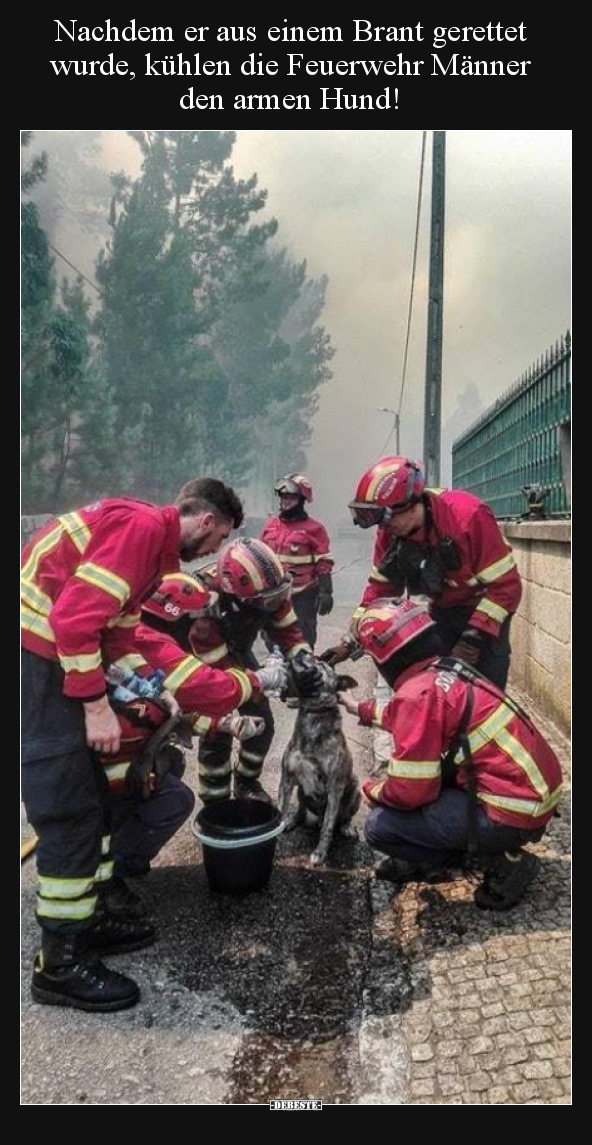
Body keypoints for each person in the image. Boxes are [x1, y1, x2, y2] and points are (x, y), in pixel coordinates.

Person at [21, 478, 248, 1012]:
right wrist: (97, 707)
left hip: (48, 661)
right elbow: (74, 621)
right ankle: (60, 965)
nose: (213, 553)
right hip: (35, 665)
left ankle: (91, 917)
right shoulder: (144, 529)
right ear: (209, 521)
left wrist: (154, 686)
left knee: (96, 798)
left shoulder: (149, 550)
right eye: (218, 541)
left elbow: (117, 635)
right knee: (70, 811)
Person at [339, 597, 562, 910]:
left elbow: (409, 792)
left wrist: (371, 789)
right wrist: (359, 708)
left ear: (385, 658)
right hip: (530, 793)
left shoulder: (418, 693)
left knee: (380, 825)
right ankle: (484, 847)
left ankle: (499, 862)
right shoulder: (443, 670)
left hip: (513, 809)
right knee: (427, 787)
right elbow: (414, 715)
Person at [140, 539, 321, 803]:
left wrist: (304, 663)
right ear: (236, 593)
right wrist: (266, 682)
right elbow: (218, 675)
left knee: (262, 724)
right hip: (203, 660)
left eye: (278, 596)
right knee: (217, 731)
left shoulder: (270, 585)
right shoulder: (203, 605)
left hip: (237, 649)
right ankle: (216, 800)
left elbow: (288, 629)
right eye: (267, 601)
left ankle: (247, 782)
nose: (274, 604)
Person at [322, 457, 522, 689]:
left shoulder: (467, 517)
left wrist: (472, 640)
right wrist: (351, 641)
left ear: (411, 503)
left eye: (386, 518)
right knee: (438, 698)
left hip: (485, 618)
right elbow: (379, 592)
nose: (383, 528)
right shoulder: (390, 532)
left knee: (483, 699)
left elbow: (506, 587)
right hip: (442, 612)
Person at [260, 474, 333, 649]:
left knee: (302, 640)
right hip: (274, 594)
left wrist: (326, 592)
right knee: (272, 639)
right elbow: (258, 556)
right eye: (284, 496)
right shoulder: (271, 525)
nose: (286, 501)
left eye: (291, 497)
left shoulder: (315, 529)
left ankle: (304, 673)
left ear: (302, 499)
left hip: (303, 595)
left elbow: (324, 563)